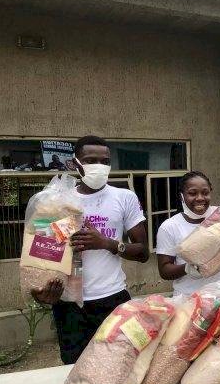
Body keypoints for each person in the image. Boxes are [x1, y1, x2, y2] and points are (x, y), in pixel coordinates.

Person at [32, 135, 149, 365]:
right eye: (90, 160)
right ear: (75, 163)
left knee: (118, 366)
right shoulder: (58, 201)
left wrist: (107, 243)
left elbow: (143, 252)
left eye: (104, 161)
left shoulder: (124, 197)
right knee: (74, 370)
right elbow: (41, 254)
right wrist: (41, 291)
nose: (99, 166)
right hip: (69, 304)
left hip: (112, 299)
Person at [155, 171, 220, 384]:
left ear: (211, 191)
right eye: (192, 193)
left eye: (204, 192)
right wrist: (188, 268)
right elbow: (164, 270)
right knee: (191, 364)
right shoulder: (170, 227)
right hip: (190, 306)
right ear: (182, 195)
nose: (200, 198)